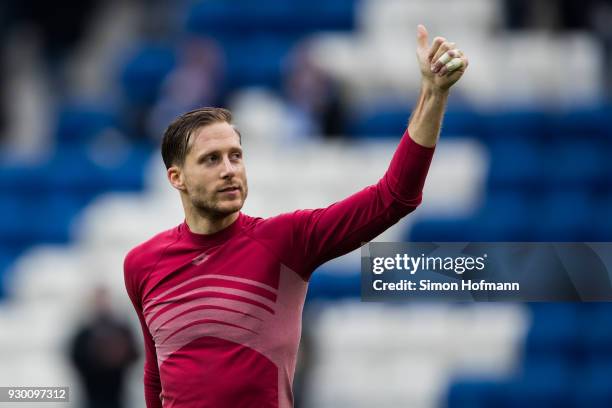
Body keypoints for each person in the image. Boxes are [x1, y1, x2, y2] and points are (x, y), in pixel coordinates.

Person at [123, 25, 468, 408]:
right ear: (177, 178)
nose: (229, 169)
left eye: (236, 156)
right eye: (211, 160)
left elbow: (395, 197)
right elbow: (156, 374)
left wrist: (433, 95)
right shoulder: (141, 264)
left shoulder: (285, 241)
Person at [70, 286, 140, 408]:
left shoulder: (121, 330)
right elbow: (76, 358)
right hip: (91, 398)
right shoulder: (84, 333)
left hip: (117, 398)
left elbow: (134, 354)